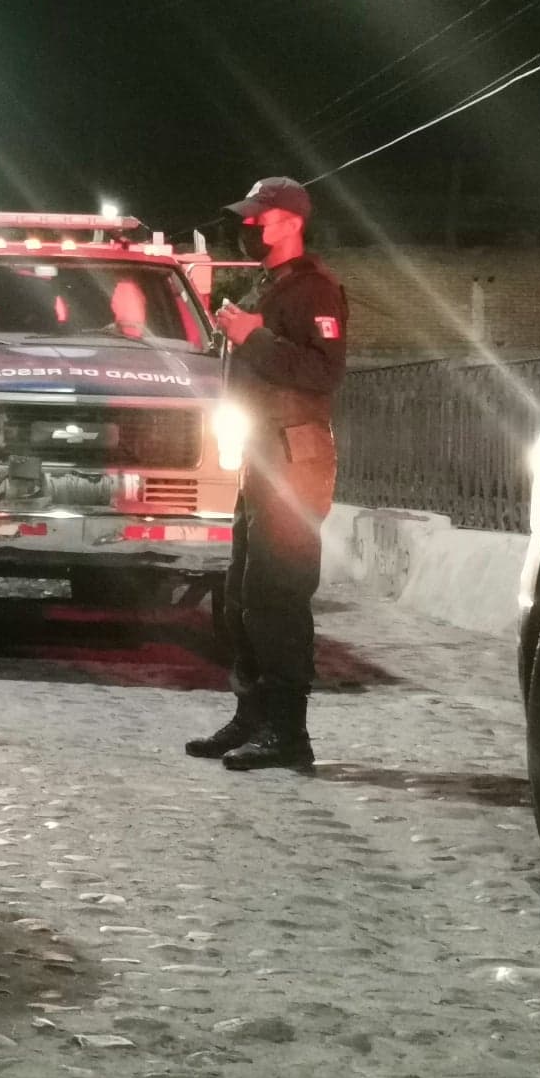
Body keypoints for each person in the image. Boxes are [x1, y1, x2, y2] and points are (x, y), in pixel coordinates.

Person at [186, 176, 347, 771]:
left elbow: (324, 371)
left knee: (280, 597)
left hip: (294, 460)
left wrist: (253, 338)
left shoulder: (316, 290)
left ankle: (289, 733)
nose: (247, 227)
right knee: (244, 597)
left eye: (258, 218)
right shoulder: (269, 284)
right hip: (261, 457)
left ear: (289, 220)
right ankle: (252, 716)